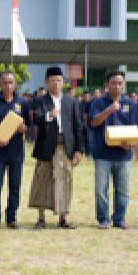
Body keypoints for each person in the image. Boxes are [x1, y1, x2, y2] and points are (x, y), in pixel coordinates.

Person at [28, 66, 84, 229]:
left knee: (64, 179)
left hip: (64, 146)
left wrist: (79, 150)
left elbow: (78, 127)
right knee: (42, 179)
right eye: (52, 80)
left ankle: (63, 217)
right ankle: (41, 218)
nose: (55, 83)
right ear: (46, 82)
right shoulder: (40, 100)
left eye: (58, 80)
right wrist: (48, 116)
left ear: (63, 82)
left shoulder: (71, 101)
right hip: (46, 145)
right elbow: (36, 119)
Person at [88, 71, 138, 229]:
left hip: (123, 154)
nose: (117, 86)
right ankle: (103, 219)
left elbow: (134, 128)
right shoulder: (98, 103)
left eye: (120, 83)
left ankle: (119, 218)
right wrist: (109, 110)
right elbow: (93, 123)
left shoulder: (130, 104)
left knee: (123, 189)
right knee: (101, 190)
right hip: (103, 153)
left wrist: (130, 143)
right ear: (107, 85)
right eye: (113, 83)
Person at [0, 69, 28, 231]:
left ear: (15, 84)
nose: (8, 86)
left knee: (15, 186)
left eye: (11, 82)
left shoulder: (21, 103)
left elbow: (26, 126)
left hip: (16, 151)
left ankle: (12, 218)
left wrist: (22, 128)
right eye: (4, 82)